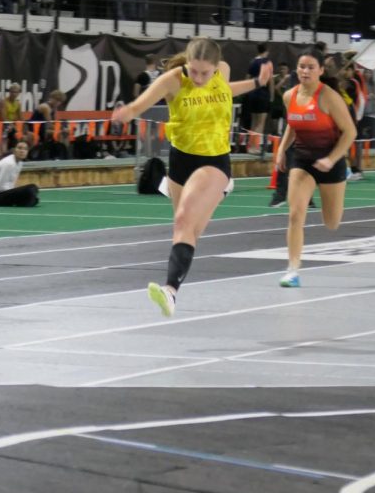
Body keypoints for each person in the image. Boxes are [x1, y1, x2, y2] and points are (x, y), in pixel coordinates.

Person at [112, 37, 273, 316]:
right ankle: (175, 289)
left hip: (213, 160)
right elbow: (142, 104)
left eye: (204, 73)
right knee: (186, 231)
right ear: (187, 63)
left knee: (185, 217)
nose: (198, 78)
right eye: (193, 71)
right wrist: (127, 113)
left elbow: (226, 90)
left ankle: (170, 291)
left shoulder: (222, 71)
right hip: (180, 161)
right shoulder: (173, 80)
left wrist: (257, 83)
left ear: (215, 67)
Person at [272, 47, 357, 287]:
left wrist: (332, 159)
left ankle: (345, 173)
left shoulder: (329, 97)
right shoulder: (289, 95)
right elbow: (292, 124)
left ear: (320, 70)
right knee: (295, 214)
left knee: (332, 223)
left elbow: (350, 132)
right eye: (301, 66)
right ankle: (292, 270)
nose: (305, 71)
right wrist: (281, 150)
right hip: (303, 160)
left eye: (311, 67)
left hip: (331, 160)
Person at [0, 140, 39, 207]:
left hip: (5, 193)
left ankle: (25, 201)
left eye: (25, 149)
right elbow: (0, 186)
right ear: (14, 150)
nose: (22, 151)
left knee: (34, 188)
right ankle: (25, 201)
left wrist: (15, 193)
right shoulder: (8, 163)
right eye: (19, 148)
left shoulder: (19, 163)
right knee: (30, 189)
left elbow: (11, 182)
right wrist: (14, 194)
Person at [244, 43, 272, 152]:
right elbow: (271, 81)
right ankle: (255, 147)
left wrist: (247, 92)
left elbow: (247, 78)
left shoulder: (252, 62)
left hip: (252, 94)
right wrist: (272, 96)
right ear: (267, 50)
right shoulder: (267, 62)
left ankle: (250, 146)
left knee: (254, 122)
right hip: (262, 94)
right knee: (260, 122)